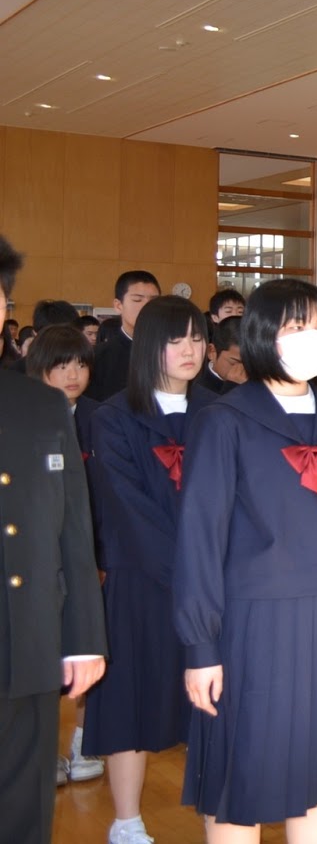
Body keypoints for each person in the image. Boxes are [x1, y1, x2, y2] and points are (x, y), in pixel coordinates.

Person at [174, 279, 317, 843]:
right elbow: (200, 540)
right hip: (255, 619)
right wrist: (201, 647)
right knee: (243, 767)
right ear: (260, 336)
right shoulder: (225, 420)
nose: (313, 337)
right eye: (297, 327)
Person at [86, 295, 215, 844]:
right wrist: (190, 572)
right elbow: (128, 509)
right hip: (141, 581)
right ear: (148, 347)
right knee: (132, 700)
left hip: (212, 585)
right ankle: (127, 820)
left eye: (197, 338)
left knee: (214, 704)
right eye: (175, 339)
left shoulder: (220, 411)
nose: (190, 350)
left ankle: (219, 815)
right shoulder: (114, 417)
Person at [0, 234, 108, 844]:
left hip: (27, 638)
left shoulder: (39, 406)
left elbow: (73, 526)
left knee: (23, 806)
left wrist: (84, 637)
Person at [22, 324, 107, 787]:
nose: (73, 374)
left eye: (81, 364)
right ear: (39, 367)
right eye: (61, 365)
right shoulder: (25, 414)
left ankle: (83, 739)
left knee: (88, 644)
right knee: (41, 656)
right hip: (36, 558)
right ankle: (47, 748)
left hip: (89, 552)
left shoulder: (100, 417)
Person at [89, 271, 161, 401]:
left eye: (154, 301)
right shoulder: (96, 357)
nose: (147, 307)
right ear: (118, 305)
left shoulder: (172, 353)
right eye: (137, 300)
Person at [194, 314, 246, 395]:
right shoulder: (194, 386)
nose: (243, 370)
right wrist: (231, 387)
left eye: (250, 364)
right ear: (211, 352)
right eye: (235, 363)